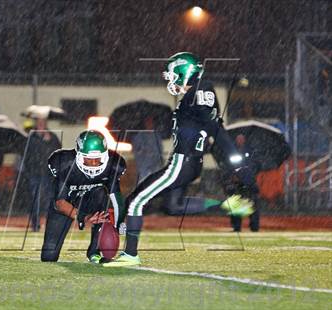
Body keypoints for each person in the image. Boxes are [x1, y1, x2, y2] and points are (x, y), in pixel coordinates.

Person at [104, 52, 258, 267]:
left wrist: (237, 162)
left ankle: (130, 254)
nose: (170, 80)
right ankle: (225, 205)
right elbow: (208, 125)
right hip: (190, 163)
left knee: (136, 201)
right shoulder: (197, 91)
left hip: (182, 163)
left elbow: (215, 128)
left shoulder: (199, 90)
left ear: (184, 73)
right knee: (172, 206)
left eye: (172, 75)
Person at [41, 130, 126, 263]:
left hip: (91, 200)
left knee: (101, 193)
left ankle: (94, 251)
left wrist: (119, 222)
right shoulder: (64, 163)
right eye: (88, 159)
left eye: (97, 159)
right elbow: (60, 203)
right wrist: (83, 217)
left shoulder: (113, 165)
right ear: (78, 155)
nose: (93, 164)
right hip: (66, 204)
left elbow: (116, 198)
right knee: (49, 256)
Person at [23, 117, 61, 231]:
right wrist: (29, 170)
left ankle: (50, 224)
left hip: (48, 173)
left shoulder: (52, 137)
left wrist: (48, 142)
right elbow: (26, 155)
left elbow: (58, 152)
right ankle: (35, 224)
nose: (41, 124)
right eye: (39, 122)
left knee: (50, 200)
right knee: (35, 200)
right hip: (34, 173)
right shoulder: (31, 137)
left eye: (43, 122)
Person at [223, 134, 260, 232]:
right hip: (237, 184)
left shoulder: (251, 151)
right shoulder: (232, 152)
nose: (239, 141)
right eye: (238, 139)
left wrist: (245, 174)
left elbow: (255, 166)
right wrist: (233, 176)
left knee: (252, 205)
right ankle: (236, 226)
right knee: (236, 205)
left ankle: (254, 226)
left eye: (241, 139)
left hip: (249, 183)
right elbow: (229, 167)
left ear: (244, 140)